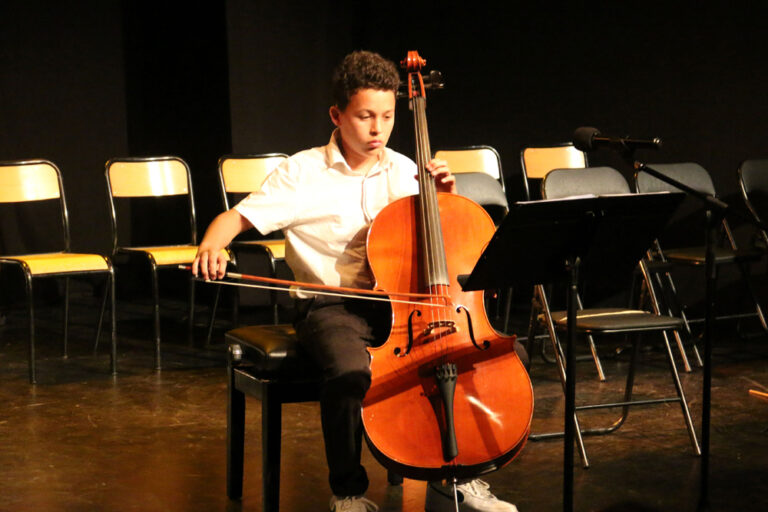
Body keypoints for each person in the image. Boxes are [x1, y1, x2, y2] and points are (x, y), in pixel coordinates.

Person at [193, 50, 518, 512]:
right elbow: (236, 218)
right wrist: (212, 244)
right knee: (350, 372)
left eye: (387, 116)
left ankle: (455, 476)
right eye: (365, 116)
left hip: (400, 303)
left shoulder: (407, 169)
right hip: (330, 305)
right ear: (337, 115)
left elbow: (443, 243)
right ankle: (347, 491)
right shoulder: (303, 172)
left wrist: (444, 198)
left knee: (468, 358)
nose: (377, 129)